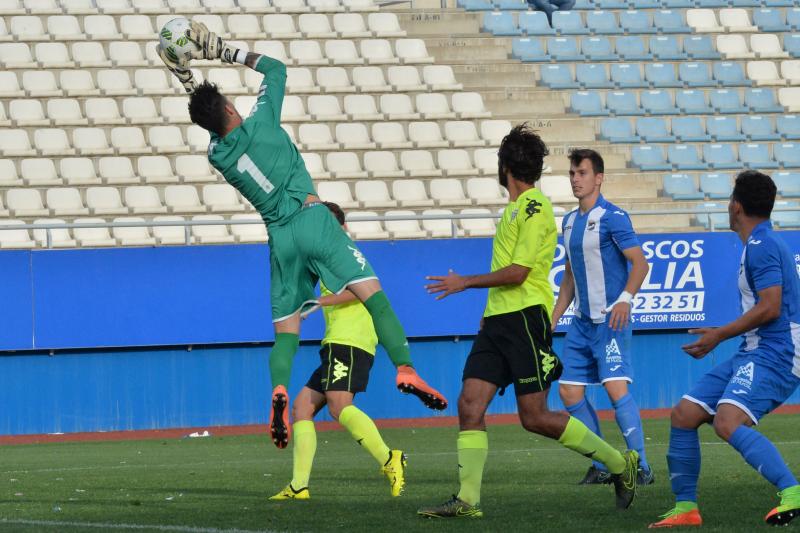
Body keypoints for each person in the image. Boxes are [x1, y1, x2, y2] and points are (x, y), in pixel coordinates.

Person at [157, 21, 448, 450]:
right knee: (374, 296)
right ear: (234, 110)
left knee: (287, 334)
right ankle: (405, 367)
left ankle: (278, 390)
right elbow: (275, 69)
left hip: (280, 238)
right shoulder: (264, 122)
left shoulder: (218, 154)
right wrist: (223, 52)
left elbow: (210, 116)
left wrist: (186, 78)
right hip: (313, 218)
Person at [417, 124, 638, 519]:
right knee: (470, 403)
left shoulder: (534, 208)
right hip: (500, 320)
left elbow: (518, 272)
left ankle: (620, 465)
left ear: (505, 167)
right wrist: (487, 315)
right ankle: (467, 501)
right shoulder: (516, 209)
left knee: (533, 417)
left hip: (523, 319)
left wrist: (464, 282)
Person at [650, 171, 800, 528]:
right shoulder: (760, 243)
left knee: (727, 421)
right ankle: (686, 509)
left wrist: (718, 335)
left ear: (736, 206)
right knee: (685, 414)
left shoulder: (762, 247)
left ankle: (791, 491)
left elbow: (770, 307)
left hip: (778, 351)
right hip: (756, 349)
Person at [270, 202, 406, 500]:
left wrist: (319, 303)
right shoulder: (331, 254)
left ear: (339, 226)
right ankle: (298, 486)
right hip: (336, 343)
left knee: (338, 405)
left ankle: (389, 458)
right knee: (302, 407)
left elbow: (357, 292)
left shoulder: (343, 252)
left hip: (350, 341)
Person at [551, 149, 653, 486]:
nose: (575, 179)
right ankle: (604, 463)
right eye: (572, 173)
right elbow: (569, 277)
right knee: (568, 393)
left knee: (615, 388)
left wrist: (625, 299)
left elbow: (640, 263)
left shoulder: (614, 217)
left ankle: (642, 467)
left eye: (581, 173)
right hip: (580, 323)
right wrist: (553, 318)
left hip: (611, 320)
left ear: (599, 177)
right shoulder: (567, 222)